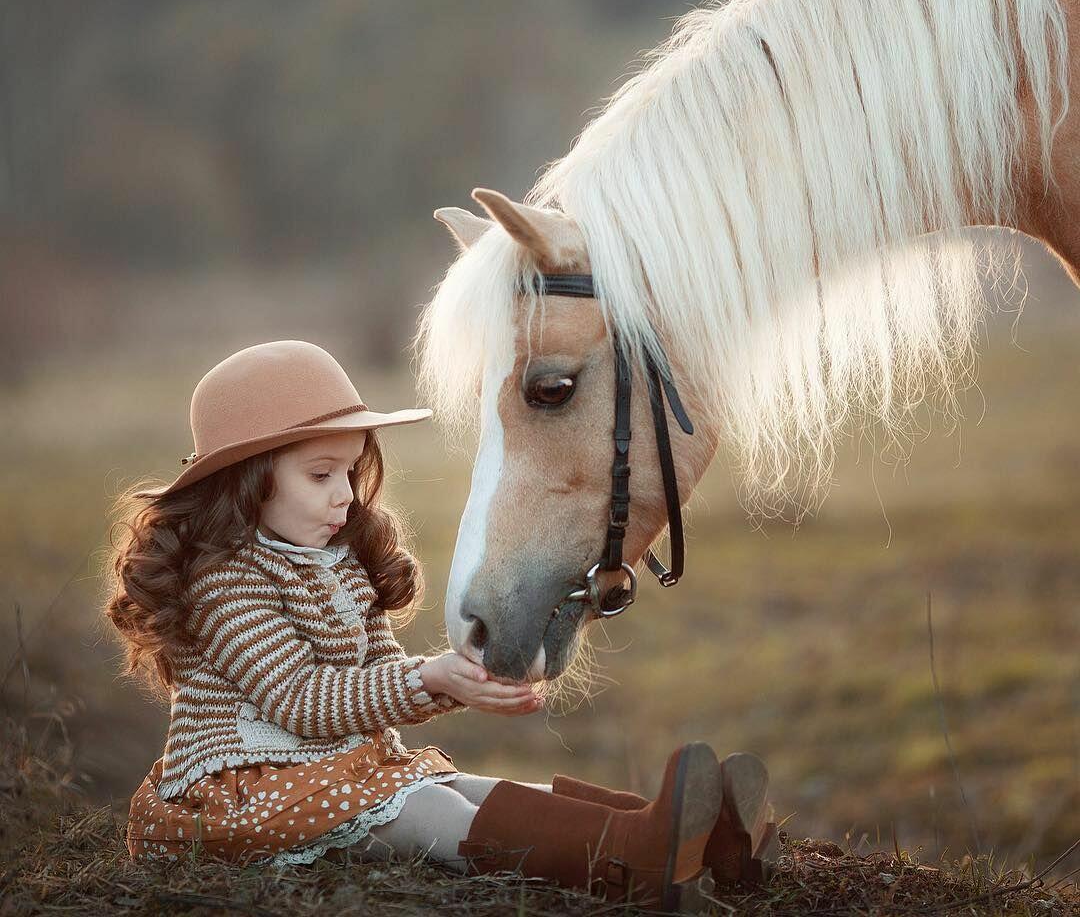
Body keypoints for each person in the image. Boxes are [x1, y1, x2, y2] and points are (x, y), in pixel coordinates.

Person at [106, 339, 776, 911]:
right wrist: (430, 676)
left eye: (349, 471)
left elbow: (377, 681)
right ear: (247, 484)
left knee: (475, 788)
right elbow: (302, 702)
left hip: (342, 768)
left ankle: (686, 836)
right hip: (251, 795)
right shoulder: (224, 583)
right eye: (319, 475)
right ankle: (633, 858)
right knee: (434, 814)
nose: (345, 493)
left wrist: (460, 683)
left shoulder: (336, 561)